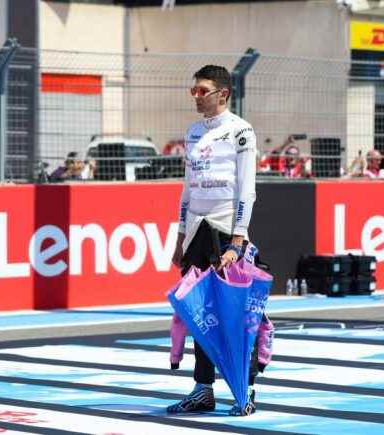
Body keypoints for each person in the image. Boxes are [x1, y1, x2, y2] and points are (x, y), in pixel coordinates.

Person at [168, 65, 259, 417]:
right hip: (195, 233)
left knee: (236, 314)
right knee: (198, 314)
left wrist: (238, 239)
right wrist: (179, 238)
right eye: (193, 90)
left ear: (222, 93)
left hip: (226, 231)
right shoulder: (193, 133)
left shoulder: (241, 131)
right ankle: (202, 389)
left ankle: (246, 389)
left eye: (201, 90)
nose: (195, 95)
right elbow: (187, 191)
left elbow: (246, 190)